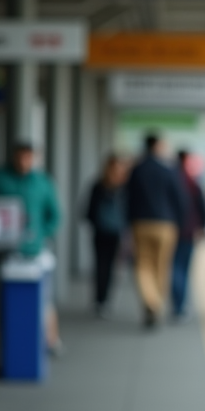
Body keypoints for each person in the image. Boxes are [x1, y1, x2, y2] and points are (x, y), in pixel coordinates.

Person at [0, 142, 64, 354]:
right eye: (20, 157)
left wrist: (42, 234)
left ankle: (52, 340)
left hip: (35, 248)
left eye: (28, 158)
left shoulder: (42, 183)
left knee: (44, 298)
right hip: (4, 249)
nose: (24, 162)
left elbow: (56, 215)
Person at [126, 133, 186, 328]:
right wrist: (180, 221)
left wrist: (128, 223)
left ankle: (150, 301)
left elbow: (127, 198)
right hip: (165, 224)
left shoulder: (136, 170)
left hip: (140, 223)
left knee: (143, 265)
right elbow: (179, 199)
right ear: (157, 146)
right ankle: (157, 303)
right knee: (162, 266)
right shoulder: (168, 170)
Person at [83, 153, 127, 317]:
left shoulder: (99, 185)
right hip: (111, 231)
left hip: (104, 231)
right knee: (107, 266)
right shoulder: (122, 187)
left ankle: (101, 299)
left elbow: (88, 209)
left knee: (102, 265)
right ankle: (103, 299)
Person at [170, 150, 205, 321]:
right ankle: (180, 306)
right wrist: (203, 226)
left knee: (173, 266)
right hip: (189, 230)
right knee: (184, 267)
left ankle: (176, 304)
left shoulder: (170, 179)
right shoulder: (192, 182)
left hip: (170, 229)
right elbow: (202, 206)